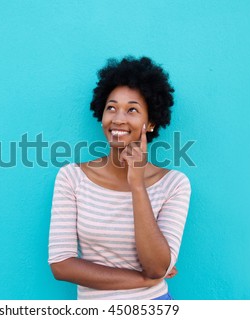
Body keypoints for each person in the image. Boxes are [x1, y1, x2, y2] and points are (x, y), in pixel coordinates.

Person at [48, 56, 191, 300]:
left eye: (132, 110)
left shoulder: (174, 184)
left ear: (151, 123)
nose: (118, 119)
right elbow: (61, 265)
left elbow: (156, 266)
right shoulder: (72, 177)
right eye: (111, 108)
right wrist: (144, 279)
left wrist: (137, 184)